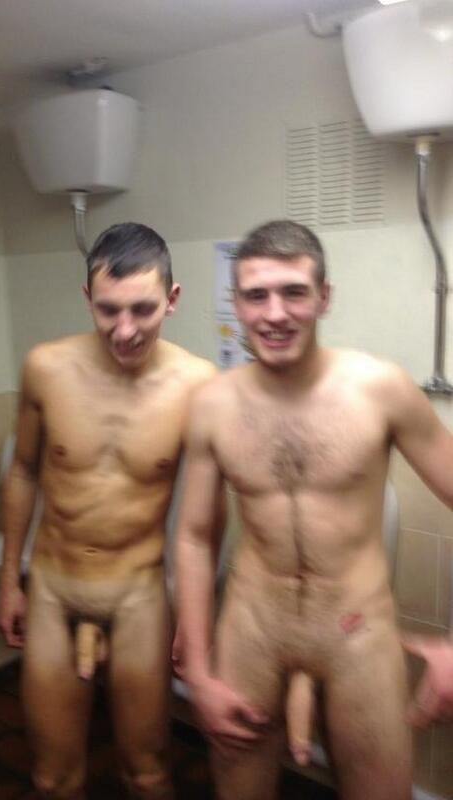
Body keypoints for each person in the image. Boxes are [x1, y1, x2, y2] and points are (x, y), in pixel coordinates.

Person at [174, 219, 453, 800]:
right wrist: (198, 671)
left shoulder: (381, 389)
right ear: (237, 304)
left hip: (358, 634)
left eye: (294, 292)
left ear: (324, 296)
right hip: (252, 630)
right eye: (256, 295)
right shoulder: (212, 406)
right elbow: (195, 537)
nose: (275, 314)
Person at [0, 221, 216, 800]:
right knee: (54, 777)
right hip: (54, 589)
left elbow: (206, 517)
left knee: (147, 772)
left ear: (172, 298)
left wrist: (194, 615)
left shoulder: (198, 384)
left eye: (143, 309)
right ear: (87, 298)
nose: (125, 330)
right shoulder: (45, 368)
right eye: (108, 309)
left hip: (138, 595)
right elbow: (23, 471)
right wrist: (9, 579)